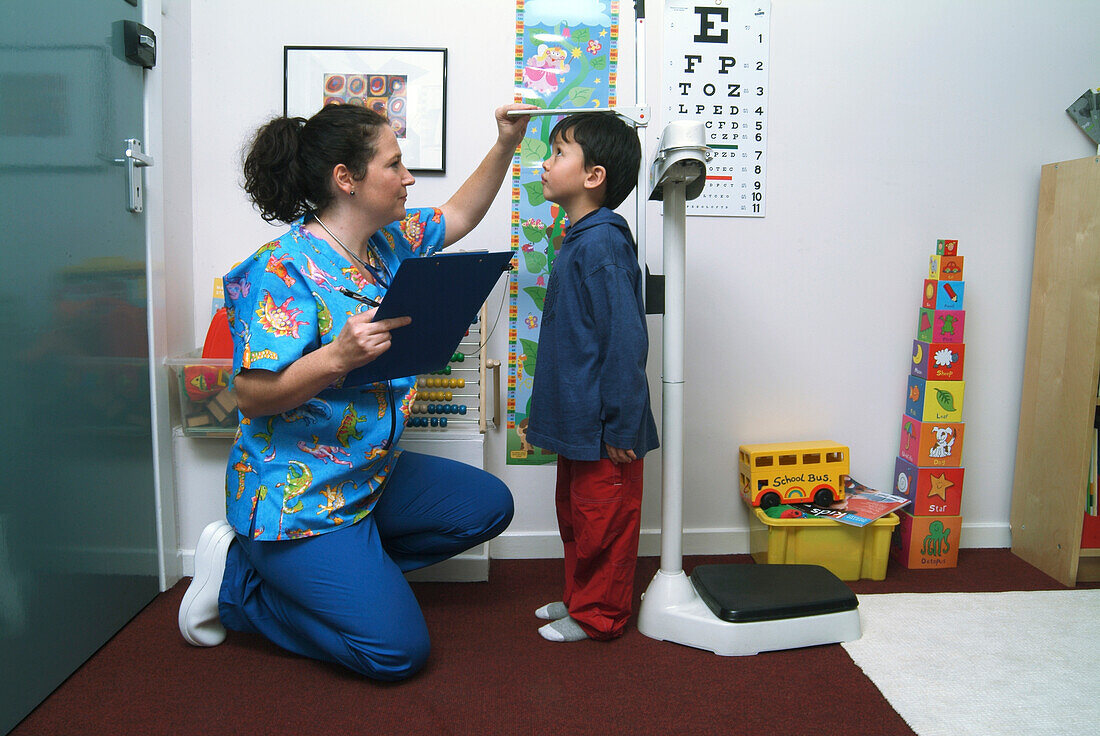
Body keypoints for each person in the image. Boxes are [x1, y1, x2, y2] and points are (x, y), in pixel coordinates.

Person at [178, 101, 534, 680]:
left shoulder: (391, 242)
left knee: (489, 506)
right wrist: (335, 359)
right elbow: (249, 396)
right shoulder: (280, 270)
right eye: (395, 164)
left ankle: (350, 576)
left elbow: (459, 213)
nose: (409, 178)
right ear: (346, 179)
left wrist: (505, 144)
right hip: (299, 500)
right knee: (396, 655)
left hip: (369, 475)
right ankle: (240, 586)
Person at [525, 112, 659, 643]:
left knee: (605, 521)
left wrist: (623, 425)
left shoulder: (602, 245)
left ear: (593, 176)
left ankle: (599, 615)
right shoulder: (580, 239)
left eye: (559, 153)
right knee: (578, 516)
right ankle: (582, 599)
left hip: (608, 430)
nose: (546, 162)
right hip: (580, 421)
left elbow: (626, 342)